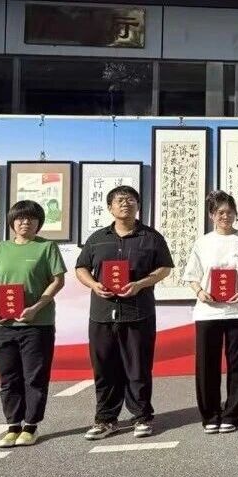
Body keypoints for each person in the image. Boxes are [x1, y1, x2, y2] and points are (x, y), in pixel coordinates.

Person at [75, 185, 174, 440]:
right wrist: (94, 285)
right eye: (119, 200)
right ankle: (105, 419)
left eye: (131, 200)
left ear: (138, 206)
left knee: (138, 367)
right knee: (104, 369)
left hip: (138, 312)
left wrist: (140, 284)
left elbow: (164, 268)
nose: (125, 204)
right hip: (102, 314)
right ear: (110, 207)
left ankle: (142, 417)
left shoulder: (151, 237)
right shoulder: (97, 238)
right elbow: (81, 268)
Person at [181, 190, 238, 434]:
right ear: (211, 215)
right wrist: (200, 292)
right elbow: (192, 276)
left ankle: (232, 414)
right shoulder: (203, 242)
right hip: (208, 312)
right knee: (206, 364)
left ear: (236, 213)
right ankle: (210, 415)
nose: (225, 216)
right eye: (220, 212)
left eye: (229, 212)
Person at [0, 201, 66, 448]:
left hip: (37, 324)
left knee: (34, 377)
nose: (25, 222)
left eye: (31, 218)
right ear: (12, 222)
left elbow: (58, 281)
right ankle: (12, 426)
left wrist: (36, 308)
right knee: (8, 378)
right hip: (3, 326)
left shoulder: (47, 247)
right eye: (20, 218)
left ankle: (30, 426)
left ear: (39, 223)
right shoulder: (1, 248)